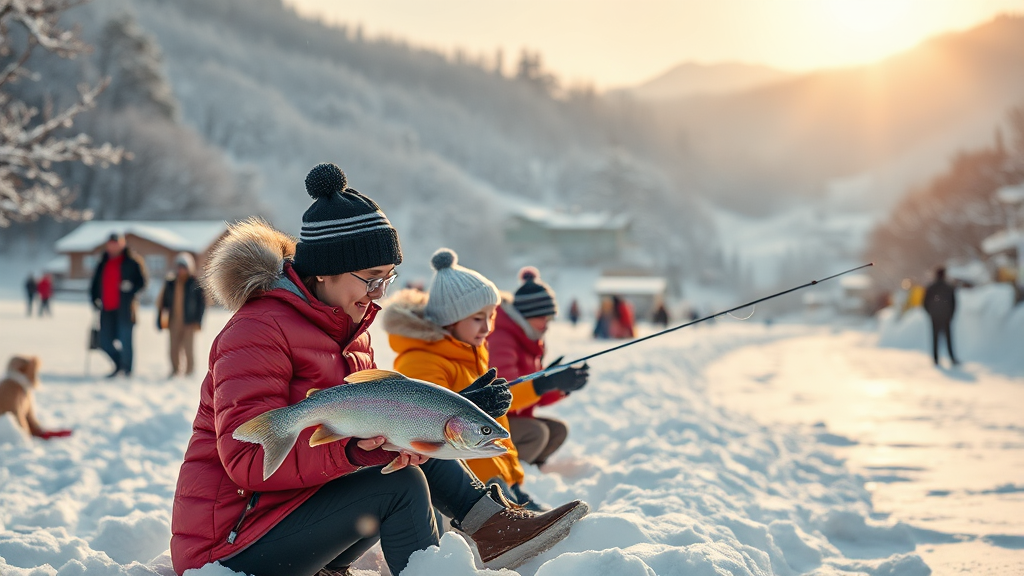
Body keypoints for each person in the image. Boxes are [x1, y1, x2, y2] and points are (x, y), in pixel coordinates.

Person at [170, 163, 588, 576]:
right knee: (399, 486)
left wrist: (447, 412)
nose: (378, 295)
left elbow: (373, 419)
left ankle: (492, 527)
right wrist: (351, 452)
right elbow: (249, 457)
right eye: (370, 278)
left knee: (419, 441)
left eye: (387, 279)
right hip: (231, 544)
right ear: (324, 271)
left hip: (296, 514)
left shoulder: (352, 328)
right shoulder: (256, 331)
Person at [383, 250, 588, 518]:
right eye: (478, 318)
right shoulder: (421, 360)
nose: (488, 327)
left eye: (491, 316)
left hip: (492, 469)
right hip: (466, 482)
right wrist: (467, 404)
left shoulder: (471, 350)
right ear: (449, 319)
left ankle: (511, 491)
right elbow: (423, 423)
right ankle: (498, 507)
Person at [488, 267, 588, 498]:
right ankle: (507, 476)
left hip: (516, 419)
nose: (547, 323)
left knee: (557, 431)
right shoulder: (502, 338)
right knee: (537, 432)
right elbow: (507, 394)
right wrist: (545, 382)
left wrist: (561, 385)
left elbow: (533, 395)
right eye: (543, 317)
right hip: (495, 420)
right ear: (526, 315)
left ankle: (532, 472)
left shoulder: (531, 340)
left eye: (549, 317)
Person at [89, 232, 147, 378]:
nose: (113, 247)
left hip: (125, 309)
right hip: (106, 308)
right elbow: (95, 284)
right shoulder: (102, 262)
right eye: (111, 244)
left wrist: (131, 287)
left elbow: (142, 282)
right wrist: (94, 299)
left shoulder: (132, 261)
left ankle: (126, 370)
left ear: (122, 244)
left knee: (125, 340)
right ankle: (119, 364)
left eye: (116, 243)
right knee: (104, 341)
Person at [156, 253, 206, 378]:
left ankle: (190, 371)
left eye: (183, 267)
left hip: (189, 321)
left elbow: (202, 304)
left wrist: (198, 321)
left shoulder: (195, 283)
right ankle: (175, 370)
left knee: (188, 348)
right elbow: (163, 303)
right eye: (179, 266)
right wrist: (160, 320)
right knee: (173, 348)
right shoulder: (170, 283)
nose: (181, 269)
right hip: (174, 320)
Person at [923, 266, 958, 367]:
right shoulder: (948, 287)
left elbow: (925, 303)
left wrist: (930, 313)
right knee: (948, 339)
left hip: (935, 317)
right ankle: (952, 358)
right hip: (946, 317)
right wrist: (951, 315)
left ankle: (935, 359)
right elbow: (954, 303)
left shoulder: (930, 287)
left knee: (935, 338)